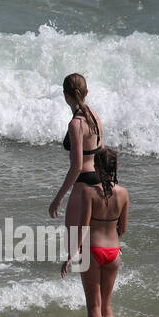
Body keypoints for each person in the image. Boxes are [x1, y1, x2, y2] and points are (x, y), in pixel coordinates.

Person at [65, 147, 128, 317]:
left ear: (96, 168)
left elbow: (83, 227)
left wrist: (71, 254)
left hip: (91, 251)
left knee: (93, 309)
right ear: (116, 169)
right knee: (106, 308)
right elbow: (122, 228)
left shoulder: (89, 192)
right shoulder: (123, 193)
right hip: (114, 253)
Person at [49, 73, 104, 269]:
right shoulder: (95, 117)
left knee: (74, 245)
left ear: (65, 95)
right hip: (98, 180)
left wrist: (59, 198)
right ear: (86, 92)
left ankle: (76, 279)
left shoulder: (76, 124)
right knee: (94, 238)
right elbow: (101, 152)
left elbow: (77, 166)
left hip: (82, 182)